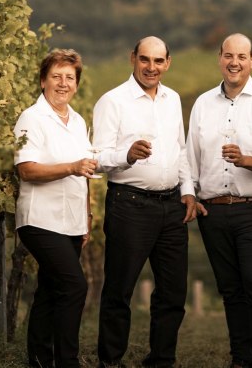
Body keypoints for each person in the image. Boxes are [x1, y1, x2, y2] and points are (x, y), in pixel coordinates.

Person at [187, 33, 252, 368]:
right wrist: (189, 193)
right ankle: (241, 358)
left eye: (242, 56)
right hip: (213, 212)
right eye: (228, 55)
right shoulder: (203, 104)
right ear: (220, 58)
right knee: (230, 289)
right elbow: (190, 156)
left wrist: (246, 160)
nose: (235, 62)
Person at [93, 36, 197, 368]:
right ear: (133, 59)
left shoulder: (172, 99)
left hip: (172, 207)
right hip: (129, 205)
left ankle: (161, 359)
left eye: (158, 61)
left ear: (168, 63)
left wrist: (188, 191)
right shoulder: (113, 102)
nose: (151, 67)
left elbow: (181, 150)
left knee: (172, 292)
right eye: (145, 60)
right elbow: (97, 157)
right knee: (119, 290)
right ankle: (110, 361)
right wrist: (127, 154)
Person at [13, 49, 98, 368]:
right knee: (75, 286)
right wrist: (71, 167)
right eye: (56, 76)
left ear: (77, 84)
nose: (63, 83)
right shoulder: (31, 118)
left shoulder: (78, 121)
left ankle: (37, 360)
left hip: (73, 222)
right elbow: (27, 170)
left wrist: (87, 219)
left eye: (70, 77)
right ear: (42, 81)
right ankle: (67, 361)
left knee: (50, 291)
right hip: (40, 219)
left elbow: (86, 171)